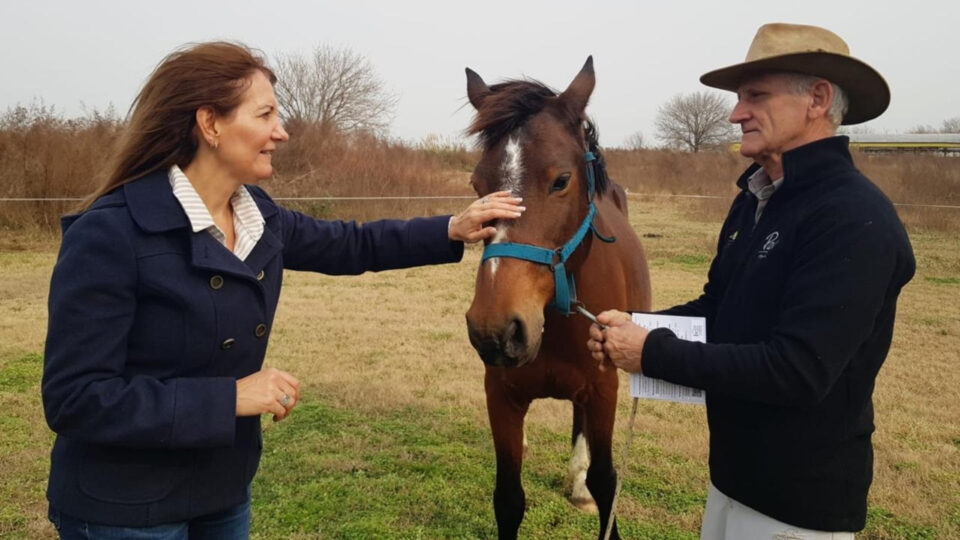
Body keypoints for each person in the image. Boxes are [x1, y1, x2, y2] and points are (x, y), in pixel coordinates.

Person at [41, 41, 523, 539]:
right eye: (266, 113)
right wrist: (228, 398)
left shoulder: (257, 216)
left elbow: (352, 244)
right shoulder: (110, 233)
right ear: (210, 124)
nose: (281, 131)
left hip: (221, 488)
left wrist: (451, 227)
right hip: (124, 507)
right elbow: (75, 398)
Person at [587, 23, 915, 539]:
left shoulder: (853, 218)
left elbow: (799, 371)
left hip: (799, 508)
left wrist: (649, 352)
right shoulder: (754, 200)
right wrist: (635, 324)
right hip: (731, 482)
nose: (736, 113)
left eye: (756, 96)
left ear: (818, 99)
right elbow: (719, 310)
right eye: (739, 98)